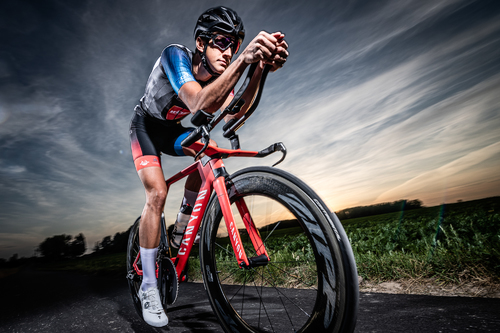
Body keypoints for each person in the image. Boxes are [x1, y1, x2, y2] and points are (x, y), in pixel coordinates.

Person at [129, 6, 288, 327]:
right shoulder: (176, 56)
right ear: (201, 43)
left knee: (208, 154)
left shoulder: (219, 75)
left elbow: (234, 114)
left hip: (173, 131)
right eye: (221, 42)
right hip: (145, 127)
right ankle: (148, 286)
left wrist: (260, 68)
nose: (229, 52)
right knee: (157, 193)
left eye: (235, 45)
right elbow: (197, 102)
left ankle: (179, 231)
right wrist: (245, 59)